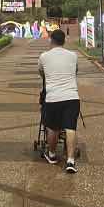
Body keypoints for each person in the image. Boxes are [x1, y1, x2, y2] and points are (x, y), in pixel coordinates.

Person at [38, 29, 81, 173]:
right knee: (70, 128)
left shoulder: (44, 56)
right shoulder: (73, 55)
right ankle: (70, 161)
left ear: (51, 40)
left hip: (53, 98)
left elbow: (41, 72)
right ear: (64, 41)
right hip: (72, 97)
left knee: (53, 128)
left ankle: (51, 154)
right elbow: (75, 71)